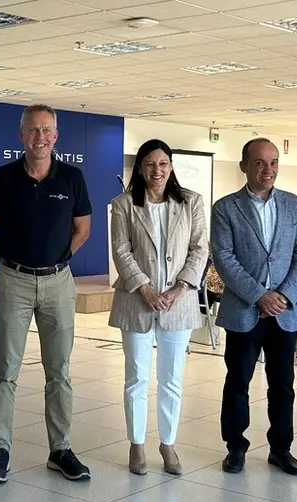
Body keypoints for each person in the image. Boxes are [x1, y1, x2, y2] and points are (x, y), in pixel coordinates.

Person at [0, 104, 92, 483]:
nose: (40, 137)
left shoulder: (72, 178)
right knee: (5, 370)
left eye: (47, 131)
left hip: (59, 283)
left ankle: (60, 450)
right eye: (33, 130)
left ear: (56, 136)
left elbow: (82, 230)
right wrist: (9, 263)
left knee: (59, 372)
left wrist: (57, 261)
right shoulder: (2, 177)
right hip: (14, 281)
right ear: (21, 135)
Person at [210, 138, 297, 476]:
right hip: (244, 311)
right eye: (259, 163)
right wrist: (259, 296)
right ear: (244, 166)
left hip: (285, 312)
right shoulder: (225, 208)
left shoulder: (294, 205)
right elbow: (224, 258)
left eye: (273, 163)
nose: (267, 170)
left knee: (282, 385)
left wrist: (285, 295)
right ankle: (235, 447)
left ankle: (281, 448)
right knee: (237, 382)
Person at [108, 139, 207, 476]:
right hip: (137, 301)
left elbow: (199, 248)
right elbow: (121, 251)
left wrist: (182, 286)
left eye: (163, 163)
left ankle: (168, 443)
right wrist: (146, 288)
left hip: (178, 303)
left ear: (171, 166)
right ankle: (137, 443)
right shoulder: (123, 204)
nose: (157, 170)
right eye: (150, 164)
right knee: (136, 376)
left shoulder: (191, 202)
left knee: (172, 378)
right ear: (140, 168)